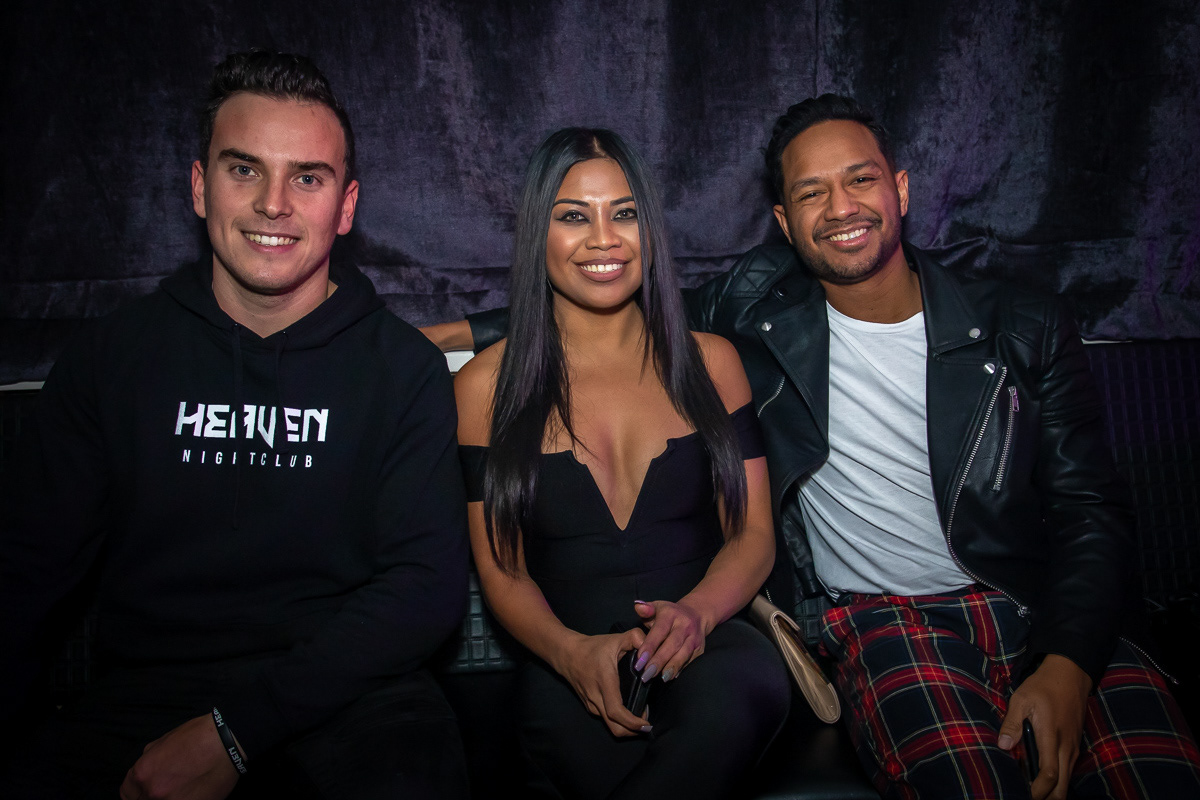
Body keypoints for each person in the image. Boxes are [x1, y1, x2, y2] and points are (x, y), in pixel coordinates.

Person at [437, 97, 1200, 799]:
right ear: (784, 218)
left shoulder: (1022, 325)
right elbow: (592, 298)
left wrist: (1069, 660)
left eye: (859, 179)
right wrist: (423, 339)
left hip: (1040, 604)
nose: (840, 209)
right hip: (889, 625)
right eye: (811, 193)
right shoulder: (760, 313)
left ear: (901, 188)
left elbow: (1092, 511)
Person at [0, 51, 470, 799]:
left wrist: (238, 731)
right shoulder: (112, 357)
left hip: (349, 696)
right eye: (244, 170)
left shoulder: (402, 370)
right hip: (148, 694)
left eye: (307, 178)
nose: (273, 204)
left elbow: (426, 589)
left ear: (345, 207)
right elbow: (26, 571)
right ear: (199, 186)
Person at [453, 127, 790, 800]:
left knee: (725, 709)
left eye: (625, 213)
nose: (604, 239)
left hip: (712, 645)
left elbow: (753, 534)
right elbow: (502, 570)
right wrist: (569, 653)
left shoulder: (713, 363)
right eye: (574, 216)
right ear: (538, 234)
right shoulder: (484, 388)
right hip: (568, 661)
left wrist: (696, 615)